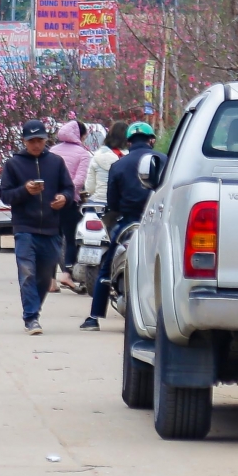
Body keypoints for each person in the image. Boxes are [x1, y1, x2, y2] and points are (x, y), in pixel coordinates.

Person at [0, 119, 78, 336]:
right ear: (24, 141)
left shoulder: (56, 162)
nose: (36, 145)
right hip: (25, 228)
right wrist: (25, 191)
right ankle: (31, 317)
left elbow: (69, 190)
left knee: (44, 277)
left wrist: (64, 198)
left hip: (52, 229)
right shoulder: (13, 165)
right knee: (27, 273)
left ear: (46, 140)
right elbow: (5, 195)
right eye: (31, 141)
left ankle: (35, 309)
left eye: (40, 140)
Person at [82, 121, 157, 331]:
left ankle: (94, 317)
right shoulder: (165, 160)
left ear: (130, 142)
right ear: (151, 140)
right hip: (158, 223)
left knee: (106, 267)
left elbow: (112, 203)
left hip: (128, 221)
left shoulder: (119, 165)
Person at [49, 120, 92, 287]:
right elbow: (80, 180)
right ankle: (66, 273)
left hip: (51, 201)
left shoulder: (52, 151)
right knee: (71, 238)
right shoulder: (82, 153)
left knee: (53, 238)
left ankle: (51, 280)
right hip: (69, 201)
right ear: (80, 135)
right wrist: (67, 194)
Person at [88, 122, 127, 201]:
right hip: (122, 204)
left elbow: (90, 188)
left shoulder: (97, 156)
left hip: (99, 203)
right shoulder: (130, 157)